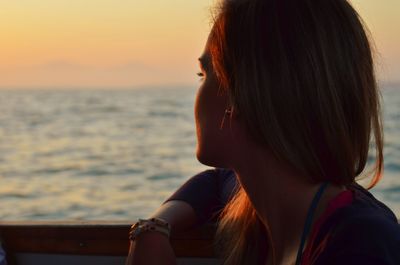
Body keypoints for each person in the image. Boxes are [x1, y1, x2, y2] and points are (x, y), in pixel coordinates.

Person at [126, 0, 400, 264]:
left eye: (204, 74)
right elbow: (215, 183)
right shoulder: (267, 200)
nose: (197, 93)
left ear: (241, 95)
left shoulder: (362, 246)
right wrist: (152, 231)